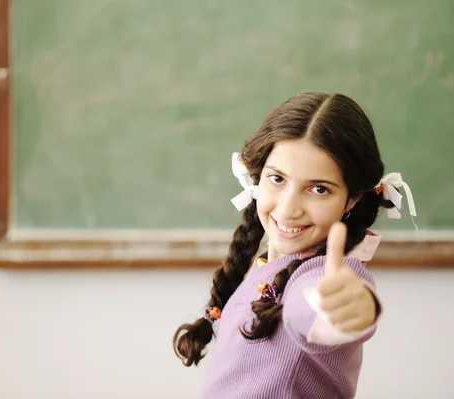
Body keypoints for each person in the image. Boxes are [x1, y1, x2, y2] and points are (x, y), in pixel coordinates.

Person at [172, 92, 417, 398]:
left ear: (351, 199)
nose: (289, 209)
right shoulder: (266, 263)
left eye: (318, 189)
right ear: (257, 177)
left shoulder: (327, 275)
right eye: (277, 179)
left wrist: (348, 309)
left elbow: (314, 308)